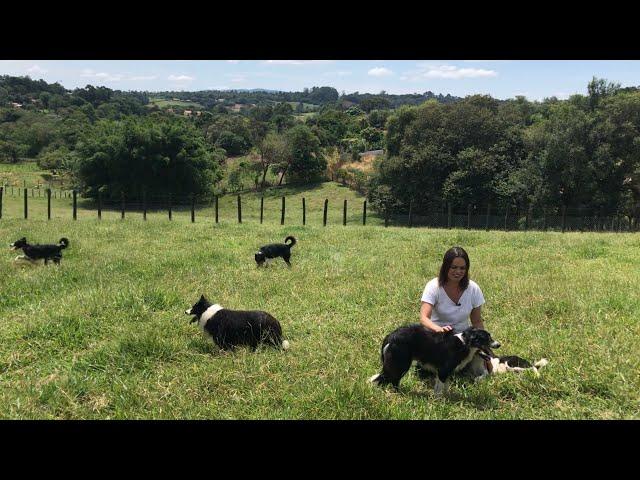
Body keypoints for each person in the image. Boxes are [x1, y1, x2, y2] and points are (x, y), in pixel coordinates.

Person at [419, 246, 490, 378]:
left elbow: (477, 321)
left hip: (463, 340)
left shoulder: (473, 288)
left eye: (462, 268)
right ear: (445, 267)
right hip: (439, 339)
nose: (458, 271)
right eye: (453, 267)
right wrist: (438, 329)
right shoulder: (433, 286)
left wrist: (483, 345)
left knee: (480, 365)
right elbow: (424, 317)